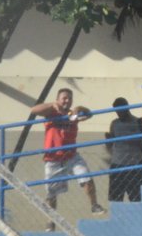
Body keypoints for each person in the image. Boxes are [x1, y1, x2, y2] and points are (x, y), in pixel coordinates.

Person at [30, 89, 106, 227]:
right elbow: (34, 110)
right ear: (58, 99)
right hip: (53, 158)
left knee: (87, 179)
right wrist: (53, 105)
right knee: (51, 193)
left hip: (71, 156)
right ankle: (50, 220)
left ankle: (94, 205)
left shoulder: (73, 115)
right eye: (64, 98)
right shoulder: (51, 113)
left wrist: (79, 108)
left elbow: (89, 114)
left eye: (69, 99)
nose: (67, 101)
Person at [105, 97, 142, 203]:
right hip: (117, 165)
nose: (118, 112)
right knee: (115, 199)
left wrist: (136, 139)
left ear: (127, 107)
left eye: (120, 109)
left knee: (136, 199)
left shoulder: (139, 122)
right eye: (116, 110)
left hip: (135, 166)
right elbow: (109, 146)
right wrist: (108, 140)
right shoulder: (114, 123)